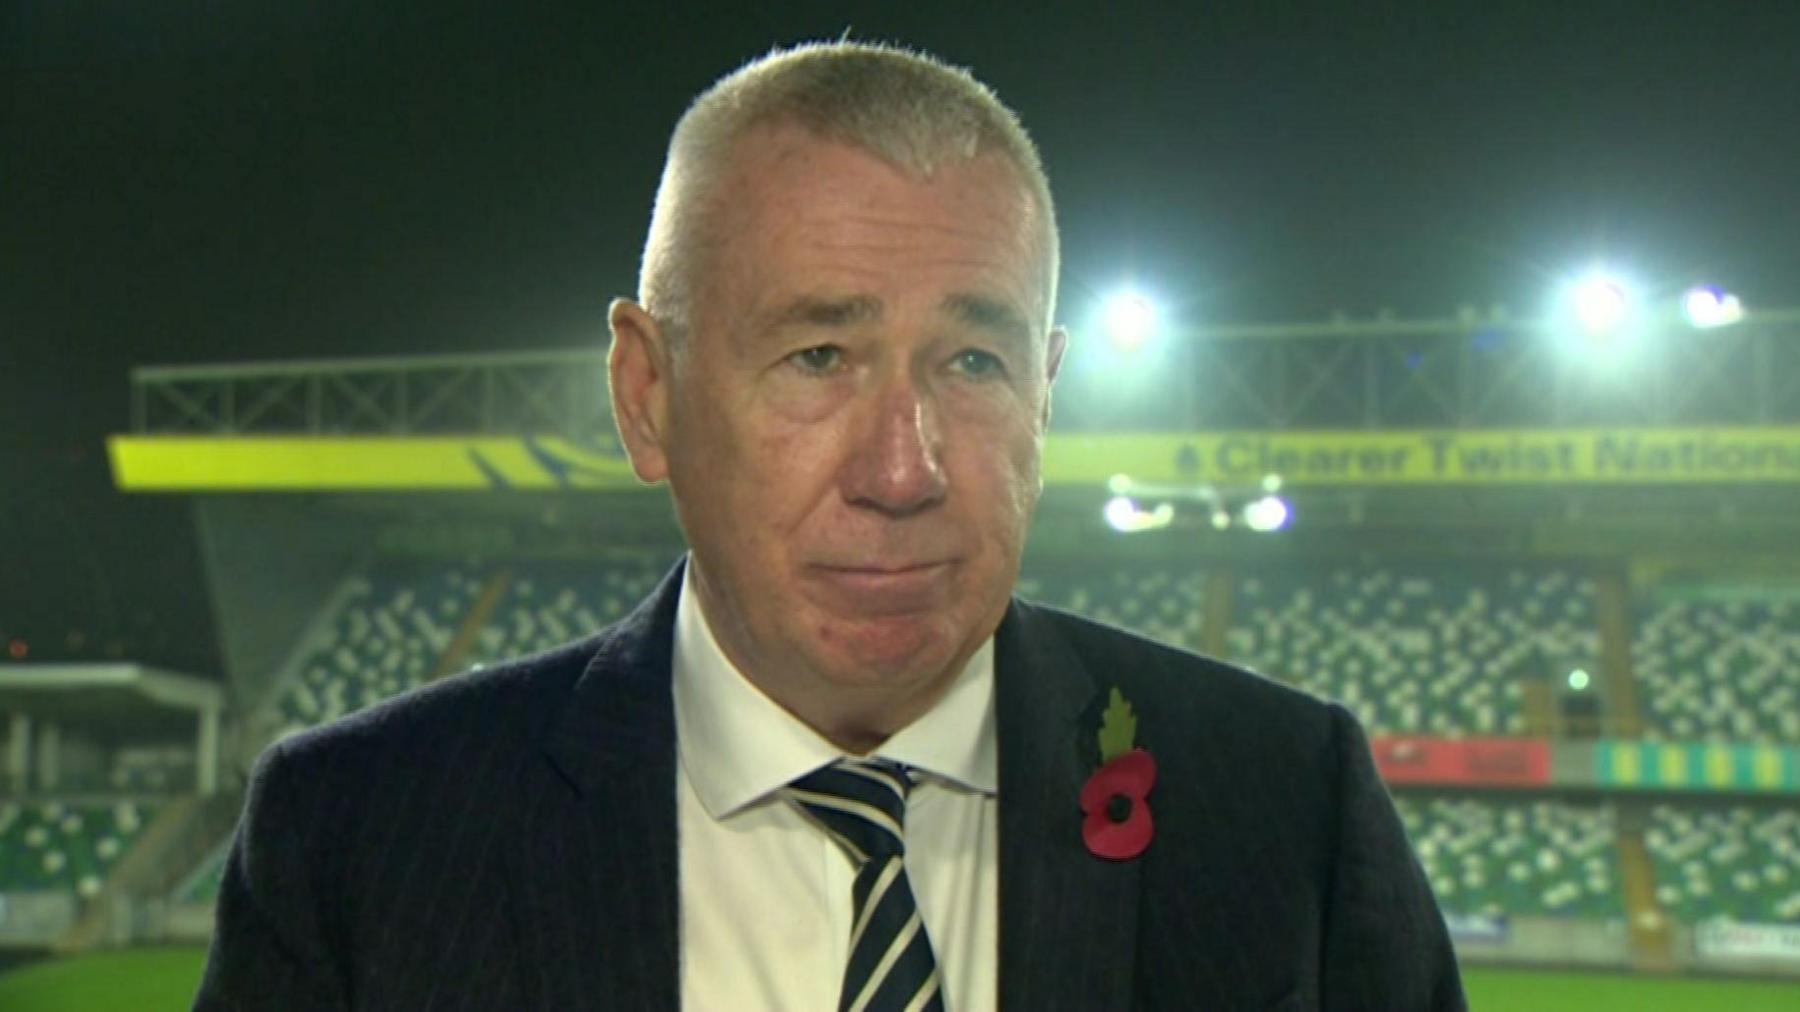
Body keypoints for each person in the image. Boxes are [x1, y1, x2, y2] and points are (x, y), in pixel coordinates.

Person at [195, 41, 1465, 1011]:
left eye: (974, 362)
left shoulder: (1287, 811)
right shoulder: (361, 838)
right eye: (817, 354)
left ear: (1047, 395)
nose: (903, 470)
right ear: (649, 398)